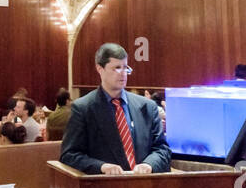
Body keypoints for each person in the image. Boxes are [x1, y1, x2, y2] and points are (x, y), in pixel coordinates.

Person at [61, 43, 170, 175]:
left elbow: (162, 149)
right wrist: (101, 166)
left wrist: (149, 164)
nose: (123, 74)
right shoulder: (83, 108)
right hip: (105, 187)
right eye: (117, 68)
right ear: (100, 69)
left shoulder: (147, 106)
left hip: (145, 185)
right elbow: (69, 155)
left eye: (125, 68)